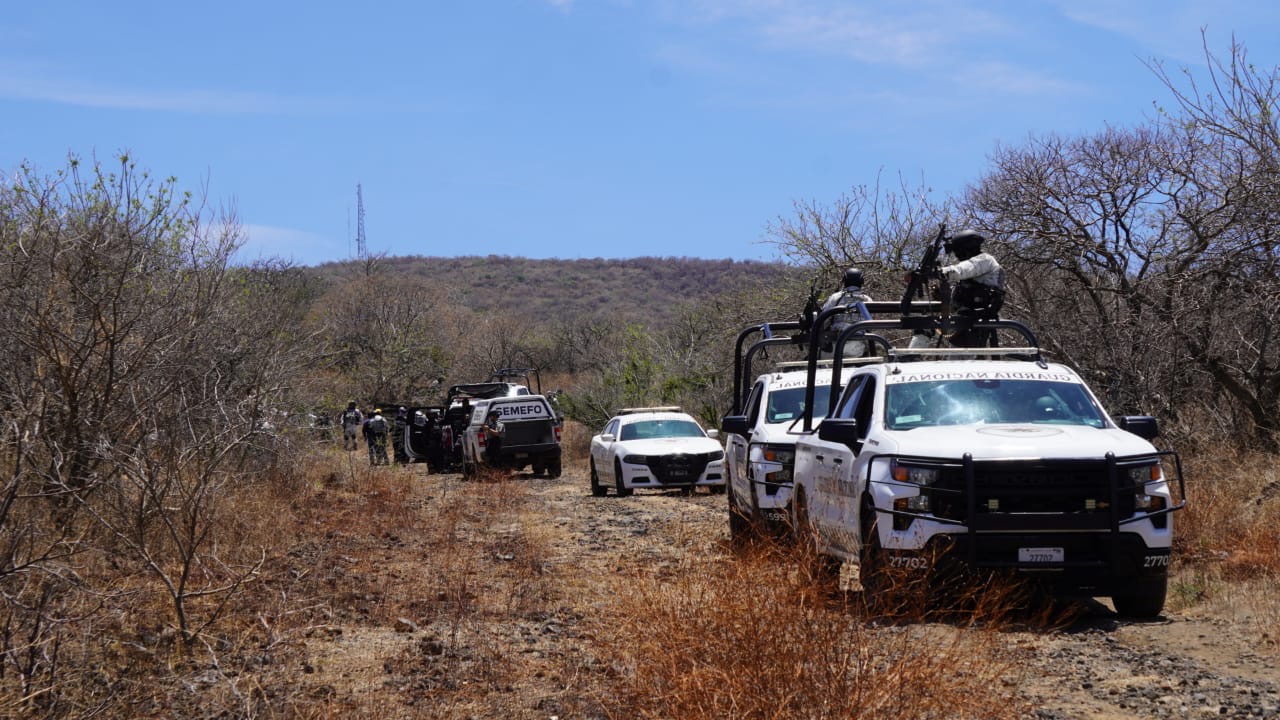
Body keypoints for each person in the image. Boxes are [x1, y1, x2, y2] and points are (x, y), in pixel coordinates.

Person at [940, 230, 1005, 348]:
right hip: (965, 322)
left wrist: (939, 272)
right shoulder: (975, 274)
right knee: (924, 327)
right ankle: (910, 358)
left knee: (964, 362)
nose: (957, 257)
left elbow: (961, 270)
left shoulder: (985, 260)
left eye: (958, 252)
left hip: (975, 323)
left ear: (965, 249)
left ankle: (909, 358)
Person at [820, 267, 872, 358]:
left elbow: (823, 319)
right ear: (861, 282)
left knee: (818, 356)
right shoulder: (867, 300)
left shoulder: (835, 297)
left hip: (836, 344)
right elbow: (870, 324)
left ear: (844, 281)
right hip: (858, 347)